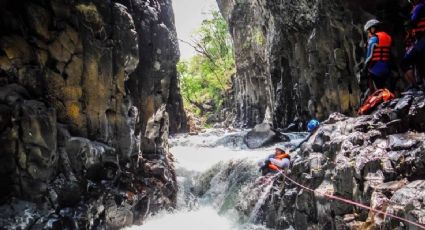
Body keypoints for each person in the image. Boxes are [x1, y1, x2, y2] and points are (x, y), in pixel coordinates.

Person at [362, 19, 393, 94]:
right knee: (384, 86)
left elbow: (369, 56)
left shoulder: (373, 39)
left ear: (373, 28)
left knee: (371, 80)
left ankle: (377, 98)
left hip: (377, 68)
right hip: (387, 66)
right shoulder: (388, 37)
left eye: (369, 31)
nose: (368, 33)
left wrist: (364, 68)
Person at [401, 0, 425, 91]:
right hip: (420, 40)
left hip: (422, 40)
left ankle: (416, 88)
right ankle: (420, 85)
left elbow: (413, 21)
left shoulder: (419, 6)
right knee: (420, 64)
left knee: (404, 63)